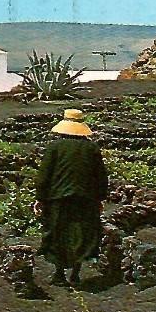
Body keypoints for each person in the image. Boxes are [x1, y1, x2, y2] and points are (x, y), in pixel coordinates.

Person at [33, 109, 109, 286]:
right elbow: (100, 176)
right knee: (82, 234)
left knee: (58, 233)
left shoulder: (54, 147)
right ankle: (75, 273)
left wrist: (40, 198)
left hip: (58, 198)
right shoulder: (92, 148)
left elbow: (44, 175)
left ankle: (59, 273)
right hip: (85, 198)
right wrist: (100, 198)